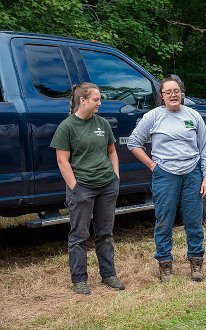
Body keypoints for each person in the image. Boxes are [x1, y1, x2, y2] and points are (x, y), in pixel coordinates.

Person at [127, 75, 206, 282]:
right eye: (168, 92)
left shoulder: (193, 115)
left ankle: (196, 262)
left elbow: (204, 147)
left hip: (192, 173)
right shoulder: (153, 117)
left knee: (194, 219)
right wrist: (152, 165)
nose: (173, 95)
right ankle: (165, 264)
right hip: (165, 174)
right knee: (164, 220)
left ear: (182, 94)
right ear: (162, 96)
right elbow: (133, 142)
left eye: (176, 91)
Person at [50, 82, 124, 295]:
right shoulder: (67, 127)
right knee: (79, 235)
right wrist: (75, 187)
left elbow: (112, 152)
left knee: (105, 233)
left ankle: (108, 274)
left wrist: (115, 177)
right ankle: (79, 279)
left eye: (99, 99)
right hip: (82, 188)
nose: (100, 103)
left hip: (107, 185)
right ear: (82, 101)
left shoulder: (102, 123)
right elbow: (62, 161)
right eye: (96, 99)